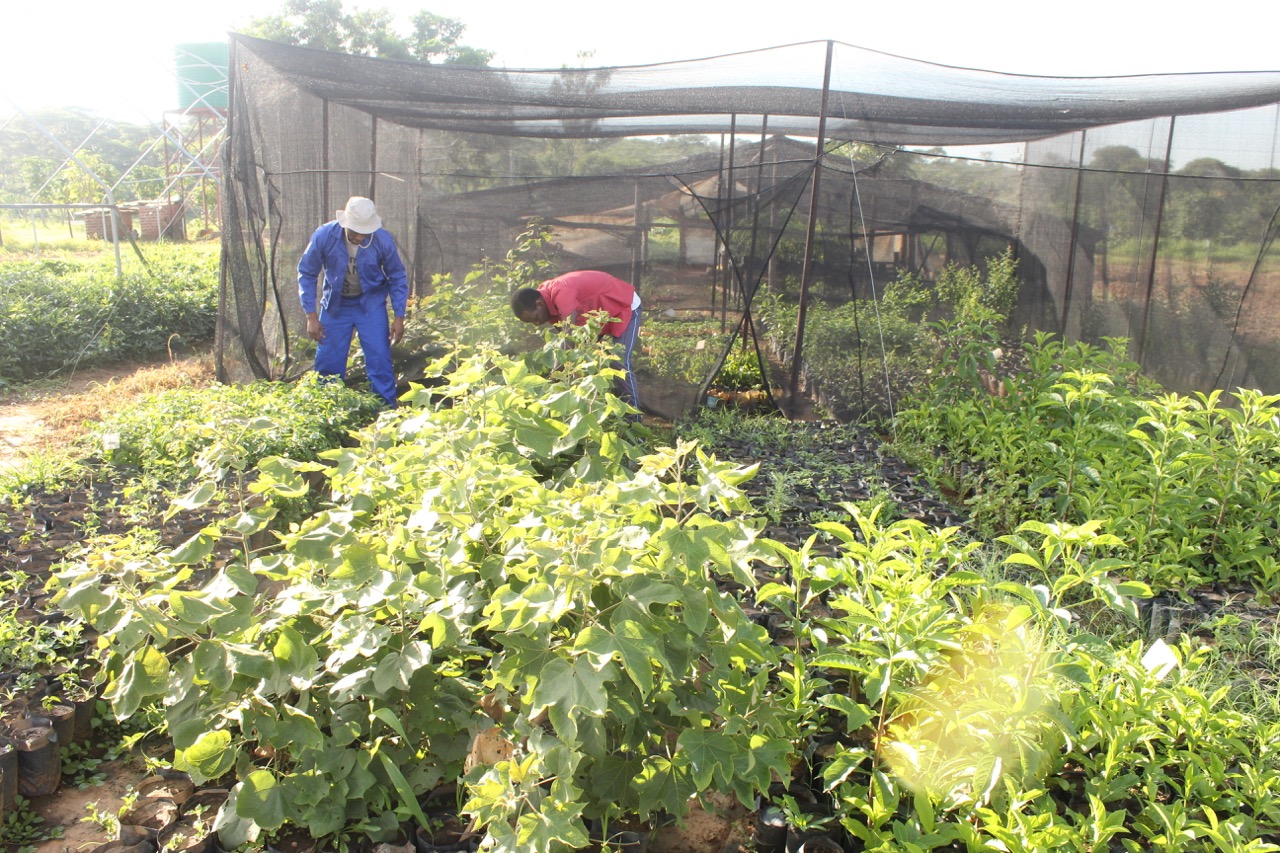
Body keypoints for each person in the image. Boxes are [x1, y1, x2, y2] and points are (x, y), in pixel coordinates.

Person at [298, 196, 408, 408]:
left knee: (379, 359)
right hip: (336, 306)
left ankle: (384, 413)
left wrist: (399, 316)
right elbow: (307, 273)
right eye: (355, 231)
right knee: (328, 361)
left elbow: (397, 276)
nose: (359, 236)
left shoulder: (382, 240)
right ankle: (328, 412)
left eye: (364, 232)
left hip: (371, 305)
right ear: (345, 224)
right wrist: (311, 316)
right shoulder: (325, 236)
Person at [511, 270, 642, 408]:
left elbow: (569, 338)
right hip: (598, 313)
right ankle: (607, 409)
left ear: (539, 304)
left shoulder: (560, 291)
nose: (537, 324)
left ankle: (633, 419)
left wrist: (552, 381)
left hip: (624, 304)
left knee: (618, 362)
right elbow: (571, 353)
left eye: (535, 318)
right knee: (590, 363)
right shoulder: (547, 306)